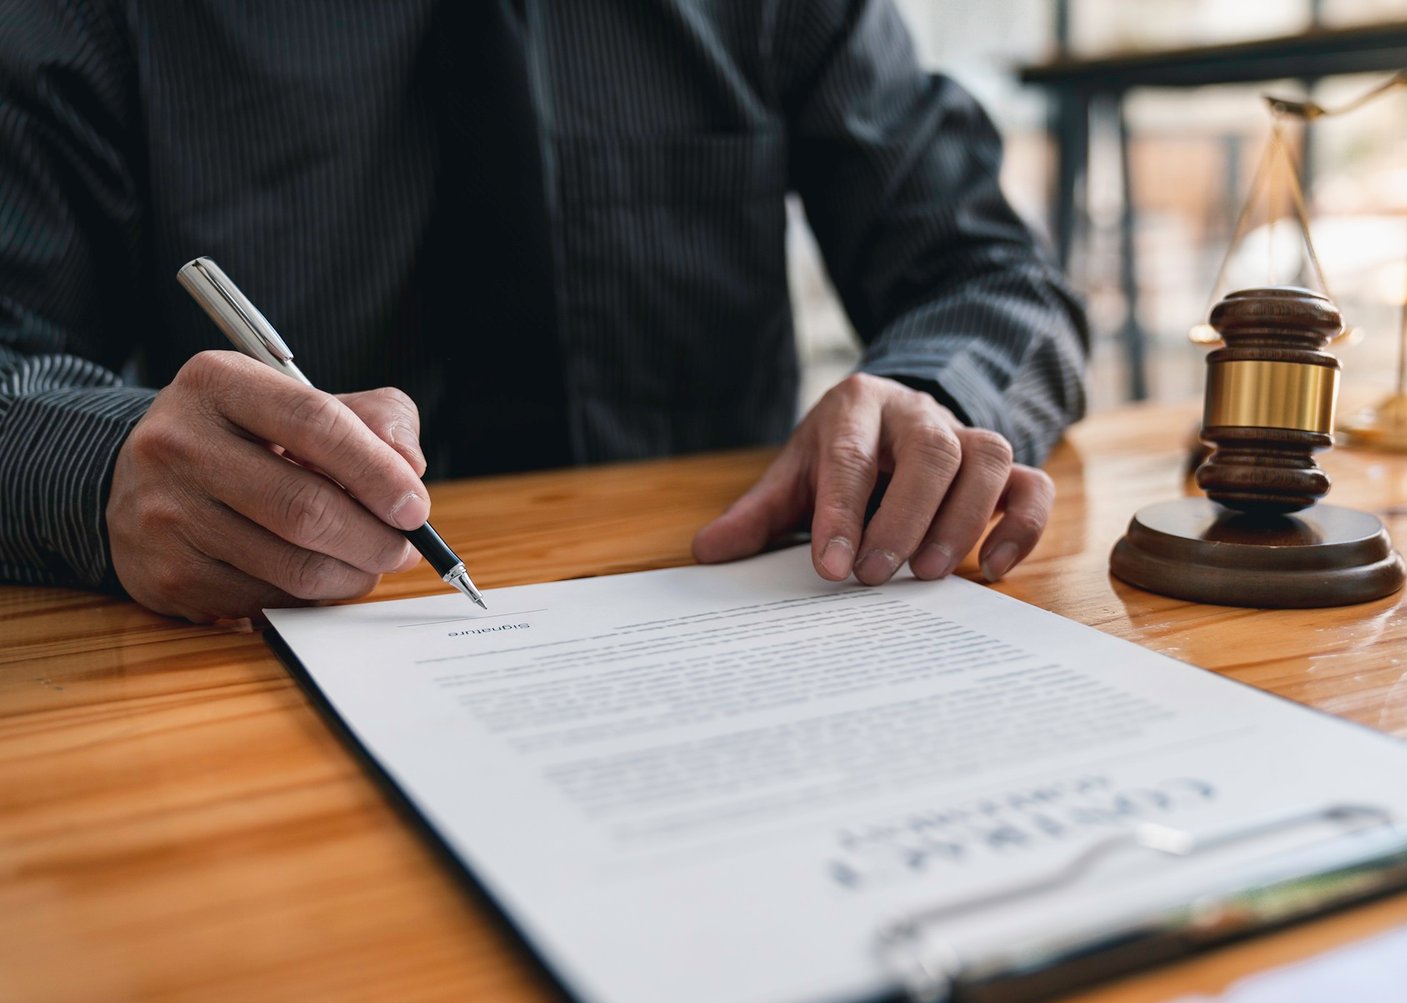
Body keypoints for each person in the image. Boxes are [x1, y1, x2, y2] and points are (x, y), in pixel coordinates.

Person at [0, 0, 1088, 623]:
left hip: (727, 621)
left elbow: (993, 273)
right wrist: (108, 467)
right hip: (240, 677)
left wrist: (927, 393)